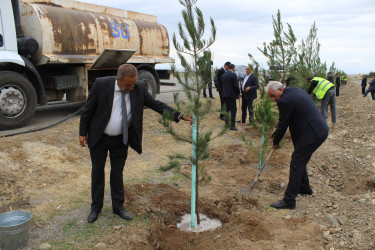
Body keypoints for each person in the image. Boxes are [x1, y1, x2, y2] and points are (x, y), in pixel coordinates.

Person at [79, 64, 192, 223]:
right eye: (128, 85)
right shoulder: (101, 84)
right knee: (97, 172)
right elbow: (87, 110)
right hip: (99, 138)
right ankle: (95, 208)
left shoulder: (138, 88)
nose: (132, 88)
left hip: (121, 139)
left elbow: (156, 105)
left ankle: (118, 207)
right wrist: (82, 133)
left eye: (134, 84)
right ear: (118, 80)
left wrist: (179, 115)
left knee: (117, 173)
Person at [266, 81, 329, 209]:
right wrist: (276, 137)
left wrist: (275, 142)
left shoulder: (284, 100)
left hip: (313, 133)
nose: (273, 99)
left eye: (273, 95)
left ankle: (289, 200)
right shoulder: (295, 90)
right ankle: (304, 188)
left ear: (280, 89)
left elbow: (283, 123)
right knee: (300, 159)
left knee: (296, 162)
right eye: (270, 97)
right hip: (317, 129)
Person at [222, 64, 240, 131]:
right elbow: (235, 85)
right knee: (233, 110)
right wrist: (238, 93)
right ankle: (232, 125)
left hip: (225, 95)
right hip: (231, 95)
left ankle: (226, 124)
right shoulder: (233, 75)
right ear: (233, 68)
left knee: (227, 110)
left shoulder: (224, 75)